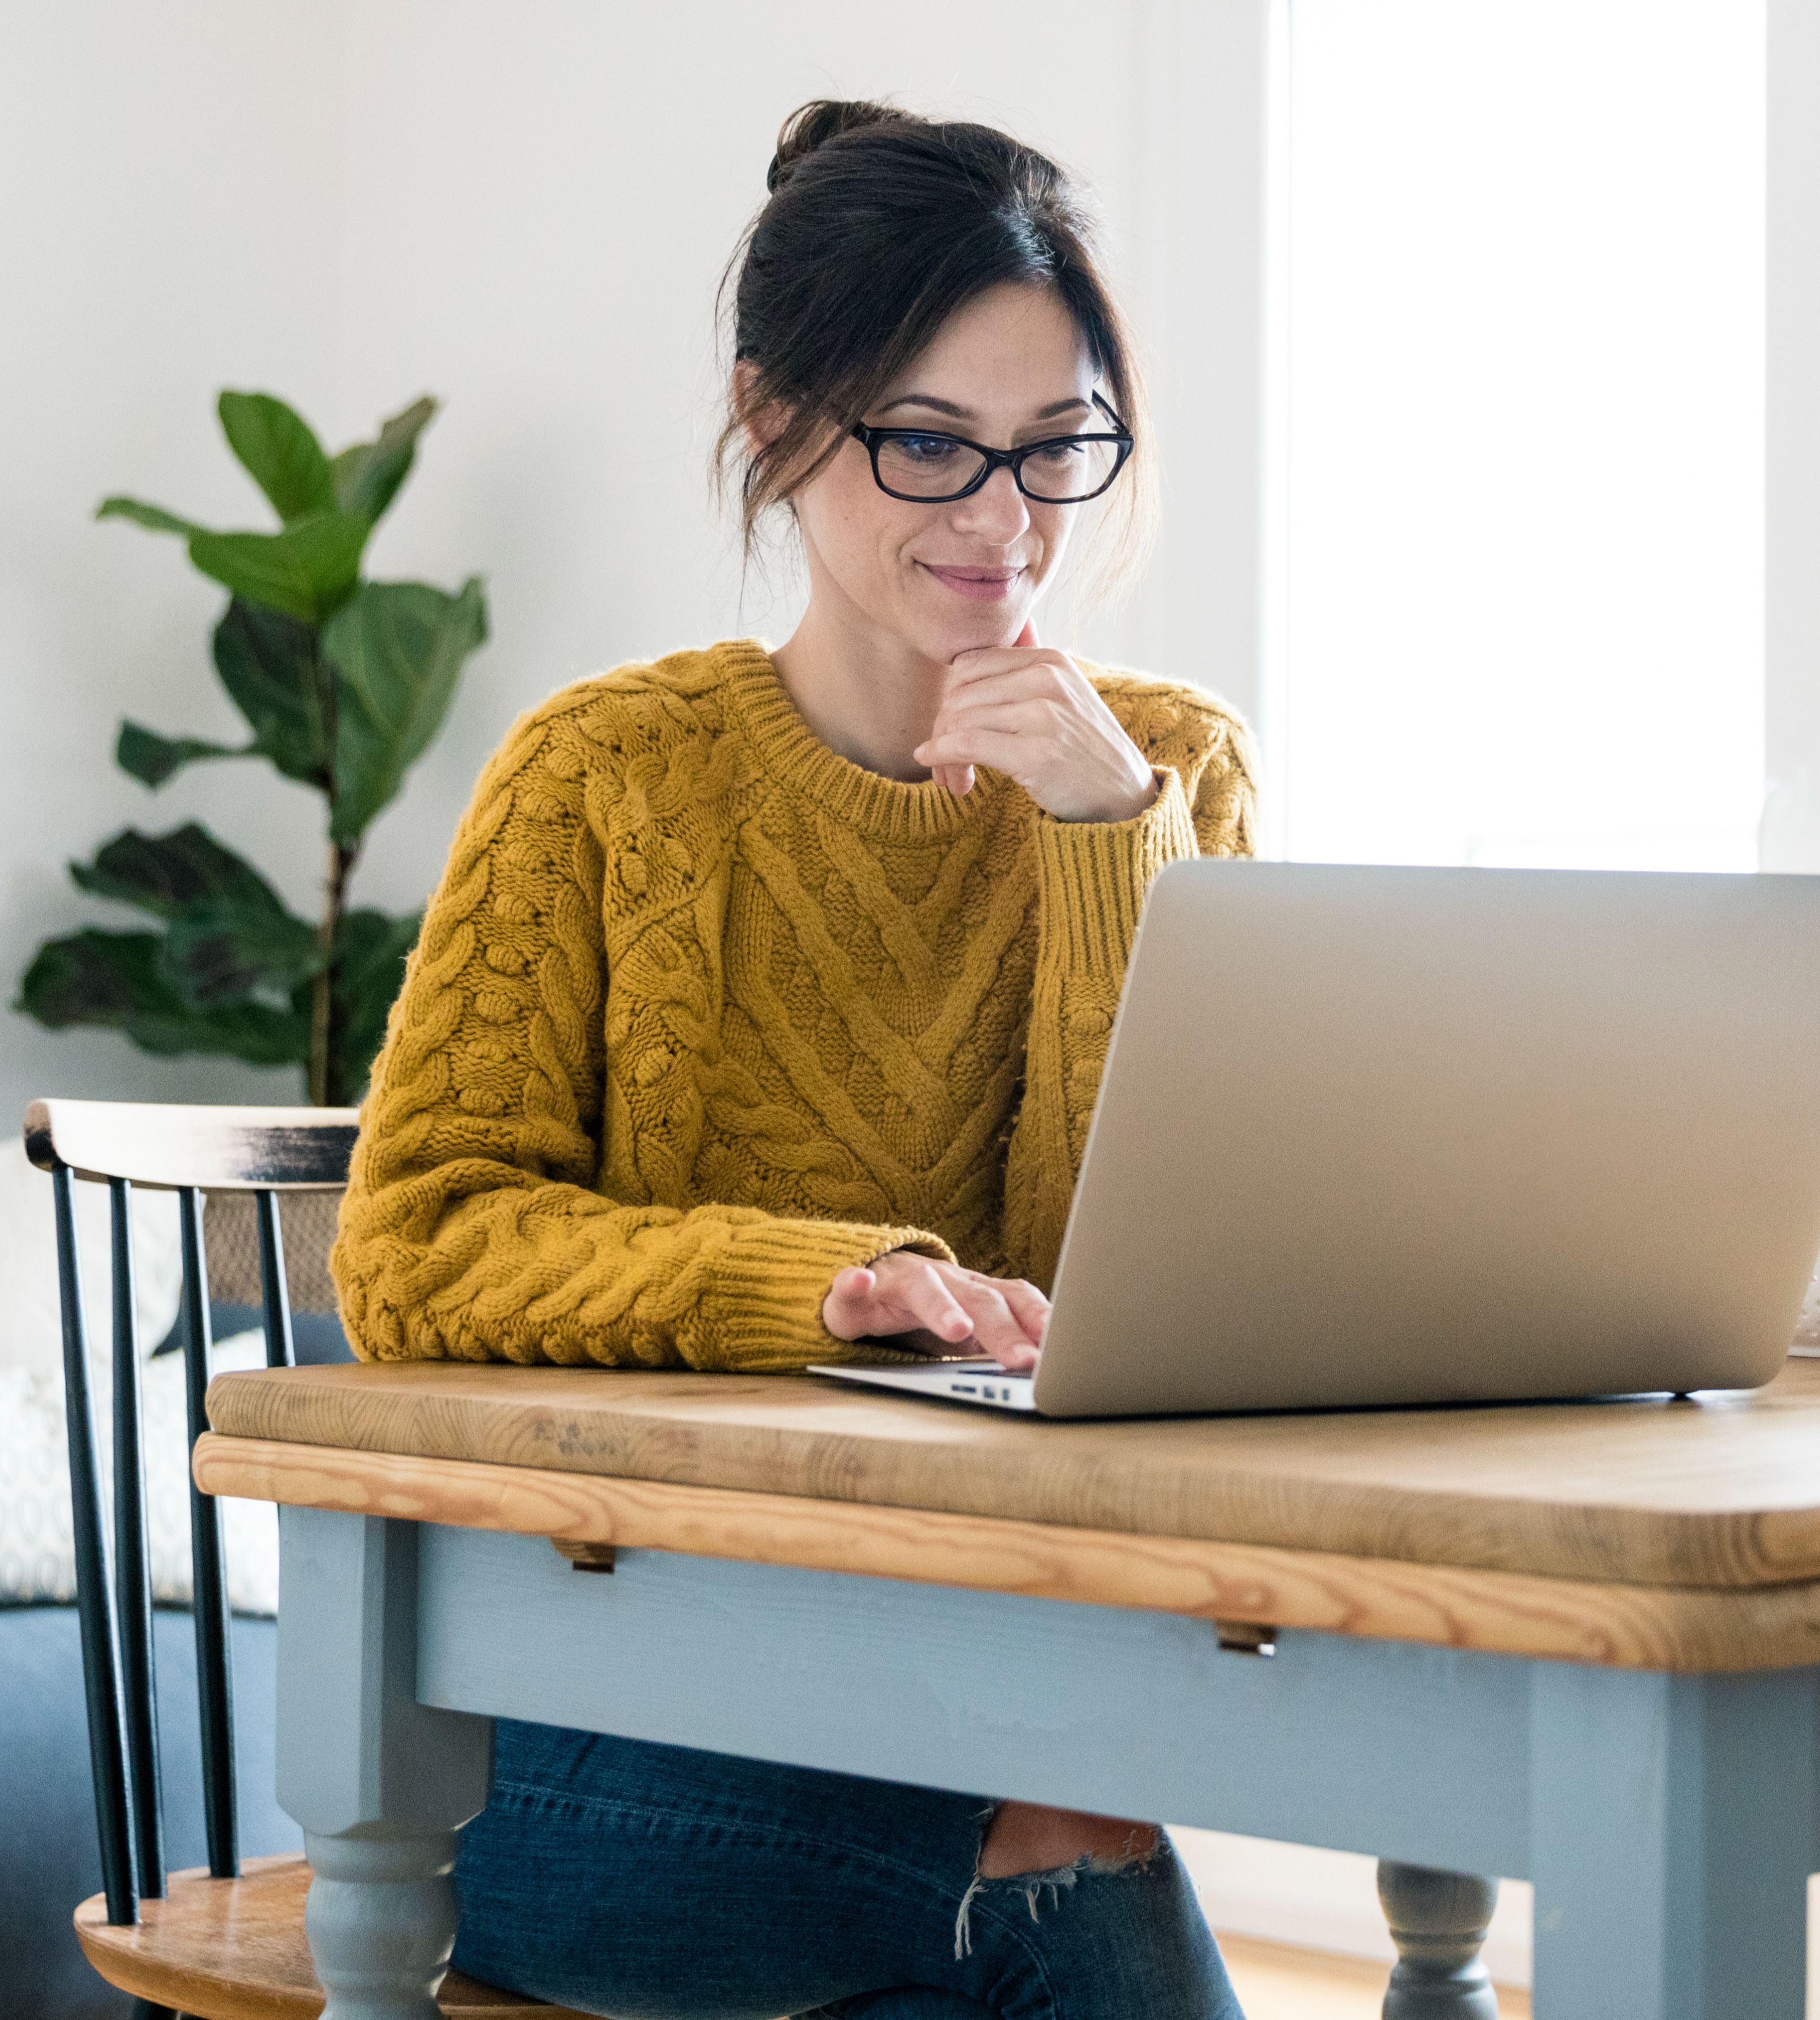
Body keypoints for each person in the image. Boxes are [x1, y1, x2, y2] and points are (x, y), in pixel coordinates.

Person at [328, 99, 1257, 2020]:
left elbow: (1159, 1295)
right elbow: (415, 1242)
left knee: (1046, 1843)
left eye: (1056, 448)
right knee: (1055, 1860)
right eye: (926, 446)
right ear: (773, 423)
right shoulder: (605, 778)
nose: (1002, 522)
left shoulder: (1168, 774)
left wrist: (1103, 843)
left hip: (994, 1680)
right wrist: (807, 1286)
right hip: (583, 1717)